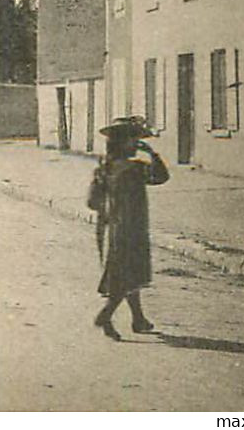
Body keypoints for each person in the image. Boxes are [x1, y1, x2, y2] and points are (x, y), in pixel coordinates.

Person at [88, 116, 170, 340]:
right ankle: (105, 315)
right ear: (123, 143)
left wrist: (109, 206)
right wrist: (152, 154)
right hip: (133, 229)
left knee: (124, 273)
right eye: (133, 139)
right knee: (128, 275)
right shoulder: (135, 169)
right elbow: (162, 177)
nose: (135, 143)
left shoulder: (105, 168)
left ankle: (138, 319)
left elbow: (92, 202)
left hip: (112, 230)